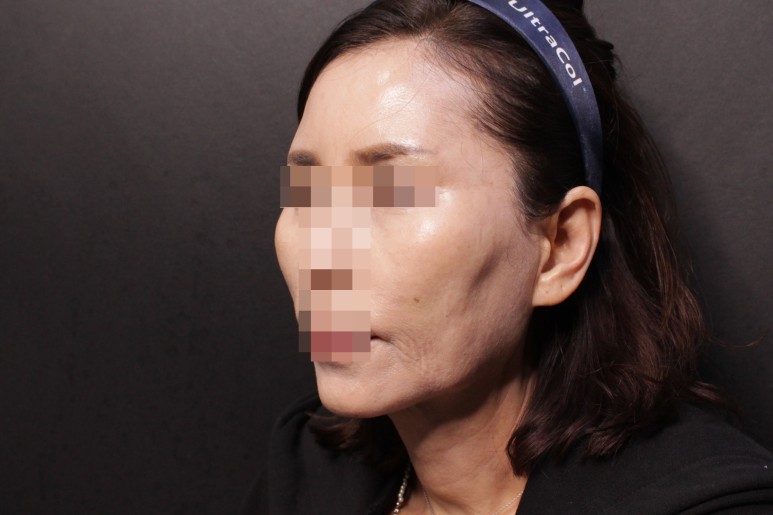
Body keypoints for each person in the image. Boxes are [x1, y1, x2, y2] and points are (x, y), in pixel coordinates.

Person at [244, 0, 773, 513]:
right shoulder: (306, 472)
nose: (321, 251)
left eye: (392, 191)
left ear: (560, 246)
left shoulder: (701, 501)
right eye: (306, 192)